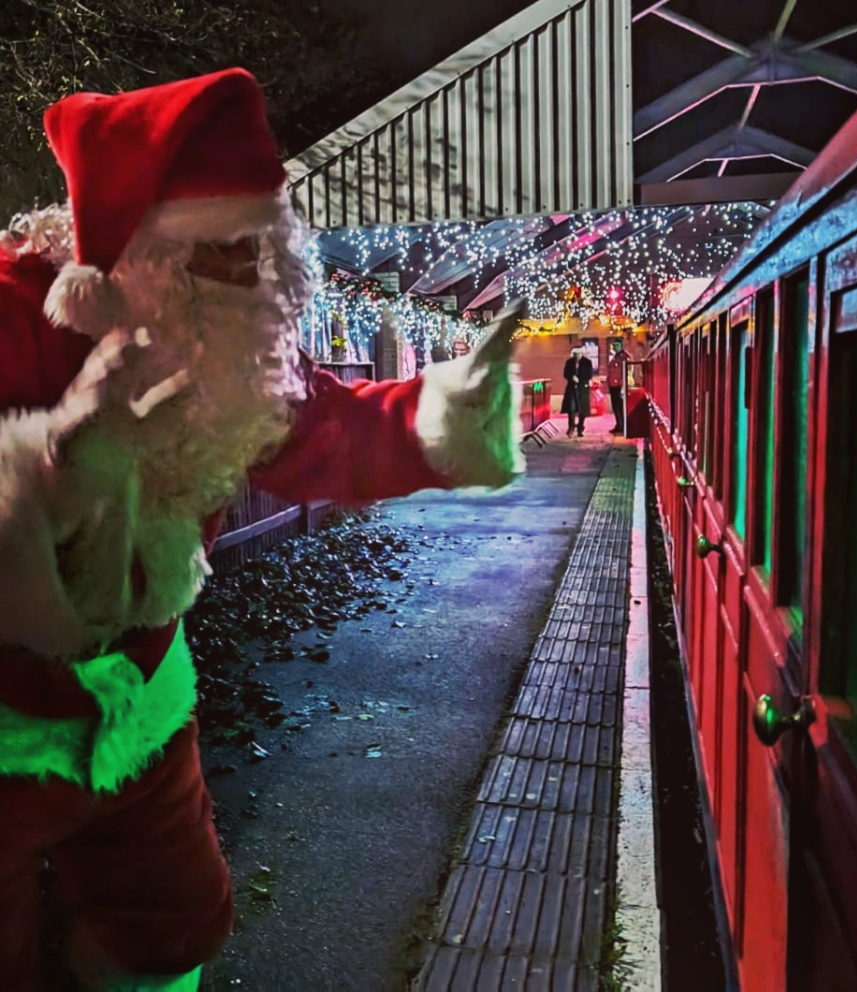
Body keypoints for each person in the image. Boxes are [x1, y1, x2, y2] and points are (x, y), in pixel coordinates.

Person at [0, 68, 524, 992]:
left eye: (269, 258)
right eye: (229, 257)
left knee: (172, 920)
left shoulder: (222, 339)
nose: (260, 287)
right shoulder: (16, 310)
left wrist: (438, 419)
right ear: (144, 252)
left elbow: (317, 424)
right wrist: (48, 474)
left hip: (139, 697)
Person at [562, 344, 593, 438]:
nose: (576, 356)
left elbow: (589, 374)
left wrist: (580, 379)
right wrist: (572, 377)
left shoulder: (587, 362)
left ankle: (580, 428)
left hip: (582, 388)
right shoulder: (569, 362)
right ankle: (571, 427)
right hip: (571, 388)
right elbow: (565, 373)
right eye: (575, 354)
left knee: (582, 410)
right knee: (571, 409)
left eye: (578, 354)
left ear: (581, 354)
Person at [606, 339, 632, 435]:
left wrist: (623, 387)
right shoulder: (615, 357)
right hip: (613, 386)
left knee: (620, 407)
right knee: (615, 407)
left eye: (617, 345)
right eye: (614, 345)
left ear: (621, 346)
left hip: (620, 386)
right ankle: (619, 424)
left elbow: (626, 373)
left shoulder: (624, 357)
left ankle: (623, 425)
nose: (615, 347)